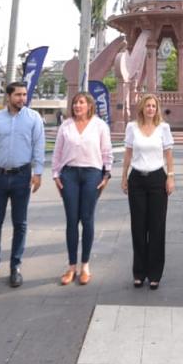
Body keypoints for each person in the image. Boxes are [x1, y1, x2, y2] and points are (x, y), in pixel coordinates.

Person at [0, 81, 45, 289]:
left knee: (20, 223)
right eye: (18, 95)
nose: (22, 98)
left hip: (22, 176)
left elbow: (38, 146)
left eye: (24, 94)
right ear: (8, 97)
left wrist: (38, 173)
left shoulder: (34, 118)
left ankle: (15, 267)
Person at [52, 91, 113, 285]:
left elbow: (107, 152)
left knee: (87, 219)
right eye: (75, 103)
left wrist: (106, 175)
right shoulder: (66, 126)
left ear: (89, 105)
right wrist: (56, 175)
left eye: (81, 102)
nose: (77, 106)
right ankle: (71, 267)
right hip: (69, 174)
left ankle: (85, 265)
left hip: (92, 174)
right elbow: (57, 152)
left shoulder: (100, 126)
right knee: (72, 220)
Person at [121, 93, 174, 289]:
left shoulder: (163, 128)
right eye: (148, 105)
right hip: (137, 180)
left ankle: (154, 273)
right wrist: (124, 176)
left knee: (157, 227)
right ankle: (139, 272)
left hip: (157, 179)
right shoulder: (132, 127)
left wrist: (171, 176)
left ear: (157, 109)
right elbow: (128, 153)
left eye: (153, 106)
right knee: (138, 227)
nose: (151, 108)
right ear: (142, 108)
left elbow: (169, 154)